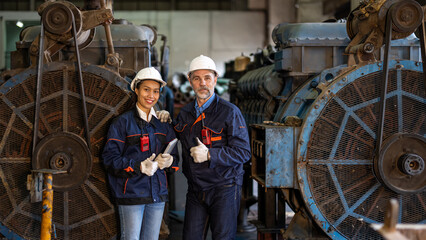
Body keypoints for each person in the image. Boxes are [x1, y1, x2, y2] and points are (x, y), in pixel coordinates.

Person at [173, 55, 251, 239]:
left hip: (224, 187)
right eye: (197, 78)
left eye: (207, 78)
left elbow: (243, 152)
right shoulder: (185, 113)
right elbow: (172, 135)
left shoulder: (230, 112)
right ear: (190, 81)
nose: (203, 83)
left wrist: (210, 155)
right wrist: (159, 119)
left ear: (215, 80)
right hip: (196, 189)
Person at [102, 67, 178, 240]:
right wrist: (139, 166)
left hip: (157, 195)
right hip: (131, 194)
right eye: (146, 89)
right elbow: (109, 159)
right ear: (136, 90)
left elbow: (176, 159)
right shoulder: (121, 123)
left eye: (156, 91)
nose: (151, 95)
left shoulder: (163, 124)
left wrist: (170, 161)